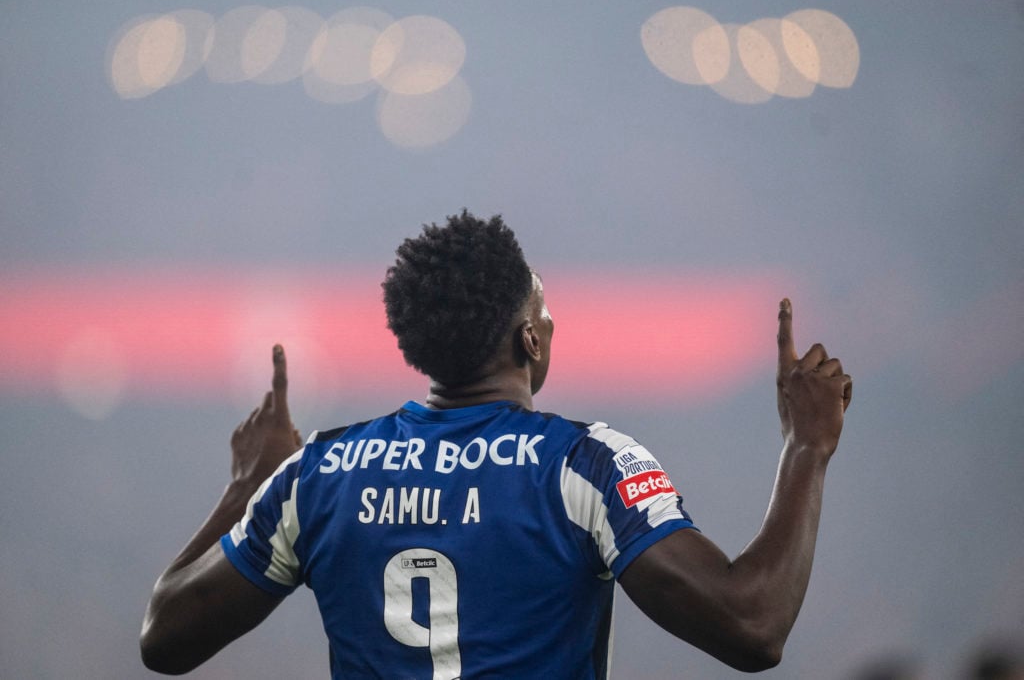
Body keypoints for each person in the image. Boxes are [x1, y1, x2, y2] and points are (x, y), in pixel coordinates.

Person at [140, 210, 852, 677]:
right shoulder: (583, 466)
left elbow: (164, 634)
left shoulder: (318, 473)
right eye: (545, 311)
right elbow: (752, 623)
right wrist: (806, 449)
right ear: (529, 337)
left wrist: (245, 487)